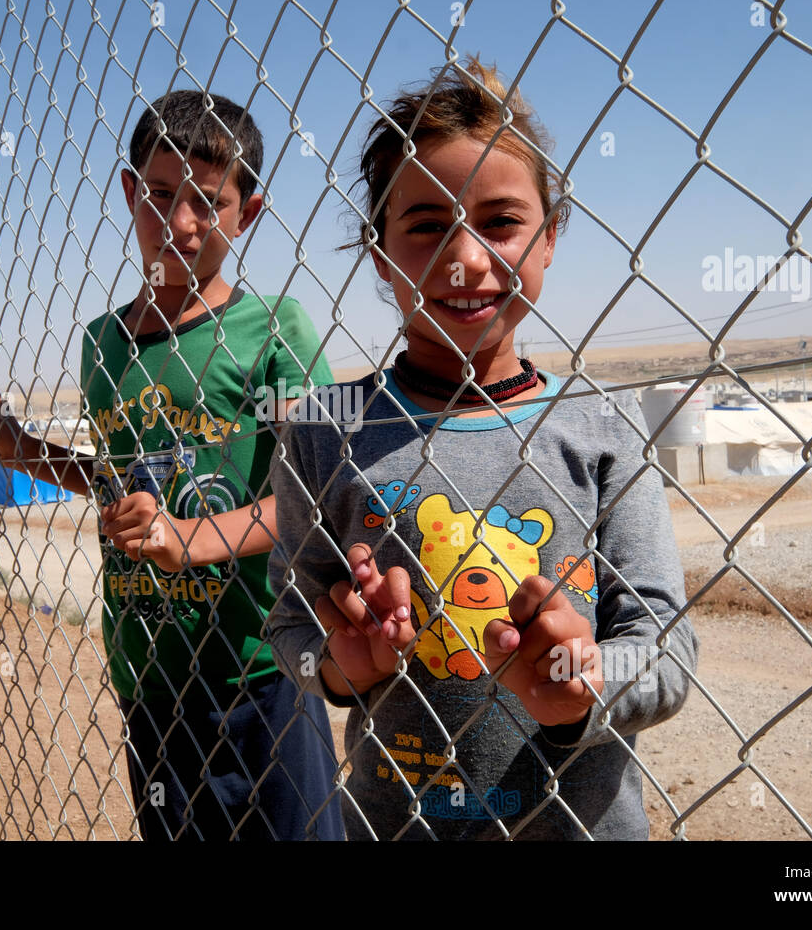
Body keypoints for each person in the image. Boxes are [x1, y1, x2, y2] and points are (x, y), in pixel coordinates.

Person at [267, 58, 699, 839]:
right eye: (428, 226)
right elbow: (289, 630)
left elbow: (665, 650)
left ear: (550, 239)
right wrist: (342, 664)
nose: (465, 259)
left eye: (500, 222)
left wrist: (582, 686)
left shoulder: (601, 425)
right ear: (379, 250)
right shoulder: (324, 432)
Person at [0, 89, 344, 840]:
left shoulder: (270, 330)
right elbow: (115, 478)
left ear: (247, 212)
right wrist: (15, 445)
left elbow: (319, 489)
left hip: (260, 674)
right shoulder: (105, 344)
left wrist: (195, 538)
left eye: (208, 200)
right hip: (151, 682)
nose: (182, 223)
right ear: (131, 191)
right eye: (161, 195)